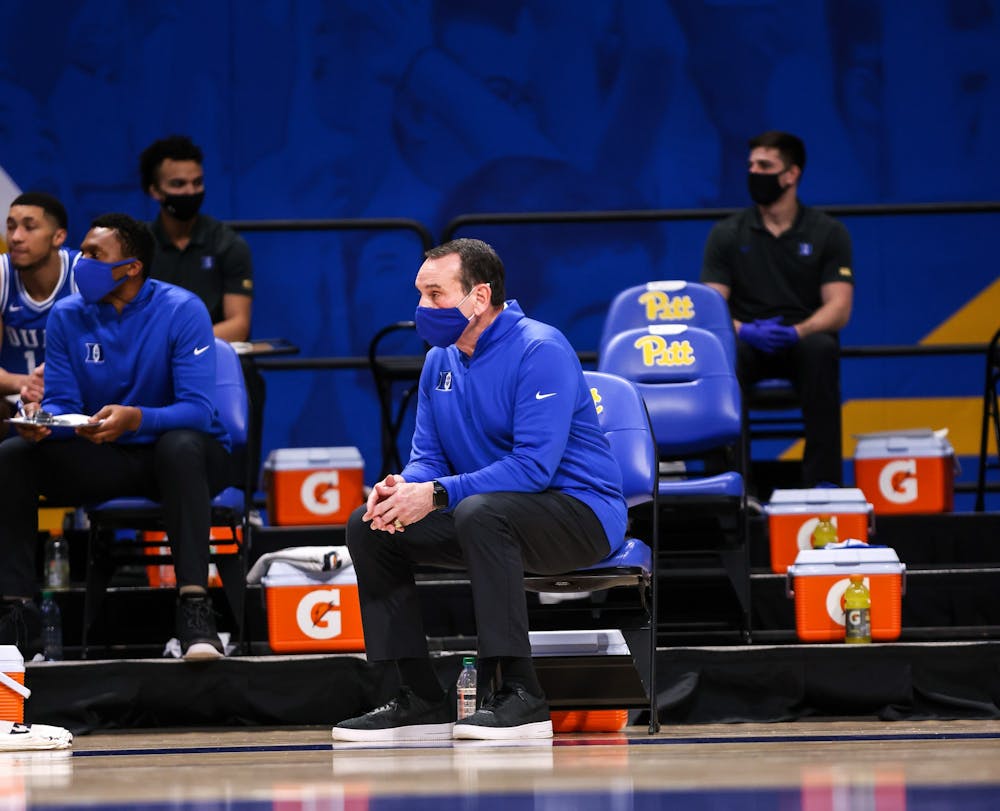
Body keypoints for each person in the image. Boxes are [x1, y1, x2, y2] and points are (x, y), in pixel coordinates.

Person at [332, 238, 627, 742]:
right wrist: (404, 488)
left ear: (480, 295)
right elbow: (429, 458)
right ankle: (419, 696)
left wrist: (437, 494)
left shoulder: (541, 348)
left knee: (480, 513)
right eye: (420, 295)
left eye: (436, 294)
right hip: (487, 512)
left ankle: (521, 695)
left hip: (580, 513)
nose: (423, 308)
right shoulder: (438, 362)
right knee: (370, 526)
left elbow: (534, 468)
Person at [0, 213, 234, 660]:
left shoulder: (182, 309)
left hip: (185, 459)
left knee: (180, 446)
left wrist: (135, 418)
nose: (81, 261)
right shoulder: (67, 316)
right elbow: (66, 401)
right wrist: (42, 420)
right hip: (105, 454)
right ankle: (16, 621)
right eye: (82, 251)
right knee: (12, 456)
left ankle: (195, 612)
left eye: (94, 254)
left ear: (131, 268)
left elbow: (199, 411)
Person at [701, 131, 854, 488]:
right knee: (722, 357)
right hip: (747, 338)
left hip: (801, 337)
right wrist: (744, 329)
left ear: (791, 174)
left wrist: (798, 331)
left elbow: (840, 307)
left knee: (822, 350)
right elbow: (711, 307)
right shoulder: (726, 234)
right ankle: (731, 483)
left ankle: (824, 484)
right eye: (751, 165)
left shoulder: (828, 233)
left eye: (765, 165)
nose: (754, 172)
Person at [139, 134, 264, 475]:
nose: (190, 192)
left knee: (250, 379)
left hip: (209, 357)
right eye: (177, 184)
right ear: (154, 190)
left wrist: (182, 347)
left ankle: (241, 494)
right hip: (150, 361)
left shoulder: (227, 244)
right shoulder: (140, 249)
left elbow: (238, 324)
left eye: (197, 183)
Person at [0, 192, 80, 423]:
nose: (15, 237)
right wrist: (23, 383)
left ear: (58, 237)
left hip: (73, 400)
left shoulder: (81, 275)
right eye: (11, 226)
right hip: (14, 399)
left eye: (29, 227)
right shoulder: (2, 275)